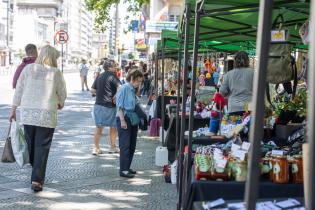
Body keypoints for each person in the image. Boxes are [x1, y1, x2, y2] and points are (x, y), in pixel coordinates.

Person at [9, 45, 67, 192]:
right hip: (47, 114)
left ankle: (36, 174)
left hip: (28, 114)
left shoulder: (28, 69)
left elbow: (19, 89)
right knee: (42, 146)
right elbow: (62, 92)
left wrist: (13, 109)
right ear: (53, 57)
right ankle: (37, 179)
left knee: (31, 144)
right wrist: (60, 102)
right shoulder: (56, 73)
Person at [116, 68, 144, 178]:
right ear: (133, 78)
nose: (139, 84)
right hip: (124, 118)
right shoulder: (124, 88)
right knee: (125, 145)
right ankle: (123, 170)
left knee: (132, 145)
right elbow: (119, 106)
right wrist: (122, 120)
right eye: (139, 81)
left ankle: (127, 167)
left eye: (141, 81)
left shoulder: (132, 89)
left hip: (132, 119)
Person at [91, 59, 121, 155]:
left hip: (98, 105)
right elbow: (120, 87)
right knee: (113, 127)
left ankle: (96, 148)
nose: (116, 67)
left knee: (99, 127)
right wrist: (116, 96)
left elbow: (92, 90)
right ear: (109, 67)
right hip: (110, 105)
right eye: (114, 66)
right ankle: (112, 147)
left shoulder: (99, 76)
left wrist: (99, 93)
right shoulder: (113, 76)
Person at [219, 51, 254, 115]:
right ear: (247, 60)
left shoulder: (229, 74)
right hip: (249, 106)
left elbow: (222, 92)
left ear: (235, 61)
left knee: (234, 125)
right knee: (248, 124)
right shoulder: (253, 73)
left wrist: (228, 95)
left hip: (234, 107)